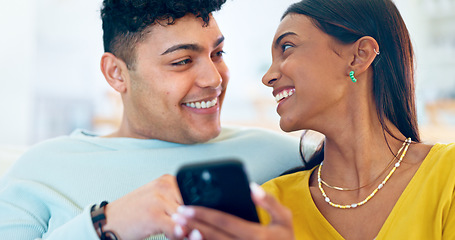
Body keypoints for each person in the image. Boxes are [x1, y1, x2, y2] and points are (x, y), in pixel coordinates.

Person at [0, 0, 305, 239]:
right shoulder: (40, 168)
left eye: (218, 54)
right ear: (116, 74)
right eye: (182, 61)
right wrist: (106, 224)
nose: (214, 79)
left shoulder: (287, 155)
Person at [171, 0, 455, 239]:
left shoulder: (448, 176)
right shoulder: (271, 203)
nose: (268, 76)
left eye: (287, 47)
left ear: (359, 56)